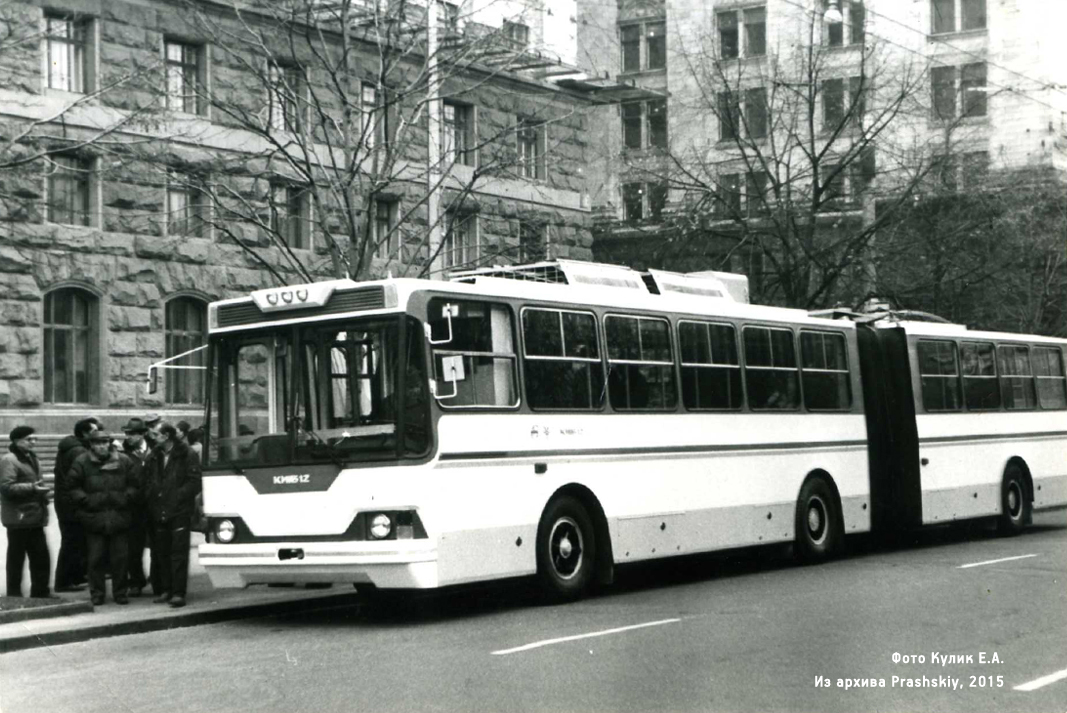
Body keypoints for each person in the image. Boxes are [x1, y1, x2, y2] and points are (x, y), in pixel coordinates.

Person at [67, 431, 138, 606]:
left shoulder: (123, 460)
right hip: (94, 517)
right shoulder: (82, 462)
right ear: (91, 444)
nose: (102, 446)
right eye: (98, 443)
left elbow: (135, 484)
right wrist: (86, 501)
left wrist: (125, 498)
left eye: (105, 442)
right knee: (95, 559)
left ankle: (120, 592)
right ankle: (97, 593)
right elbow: (72, 486)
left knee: (120, 558)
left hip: (119, 516)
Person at [144, 422, 201, 608]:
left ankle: (178, 592)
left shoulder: (186, 454)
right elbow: (148, 479)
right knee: (162, 552)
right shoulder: (155, 455)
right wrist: (152, 496)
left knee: (178, 553)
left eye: (156, 434)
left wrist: (177, 496)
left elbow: (194, 482)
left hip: (179, 510)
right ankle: (166, 589)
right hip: (159, 508)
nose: (153, 437)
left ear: (166, 436)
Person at [0, 426, 52, 598]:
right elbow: (6, 487)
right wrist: (32, 488)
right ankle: (14, 594)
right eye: (29, 439)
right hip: (18, 518)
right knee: (16, 559)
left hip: (34, 516)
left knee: (40, 557)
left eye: (34, 439)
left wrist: (41, 492)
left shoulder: (31, 457)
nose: (33, 442)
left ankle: (40, 592)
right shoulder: (9, 460)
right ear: (16, 441)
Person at [52, 417, 98, 592]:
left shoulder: (69, 447)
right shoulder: (78, 451)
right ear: (85, 433)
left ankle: (75, 577)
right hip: (72, 504)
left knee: (76, 541)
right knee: (72, 542)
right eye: (94, 431)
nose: (97, 433)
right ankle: (64, 581)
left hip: (65, 502)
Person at [121, 418, 157, 597]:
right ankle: (136, 581)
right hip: (134, 507)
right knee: (133, 548)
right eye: (126, 434)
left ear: (142, 434)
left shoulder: (155, 450)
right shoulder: (123, 454)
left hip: (155, 505)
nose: (128, 437)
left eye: (132, 434)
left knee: (157, 545)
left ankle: (157, 580)